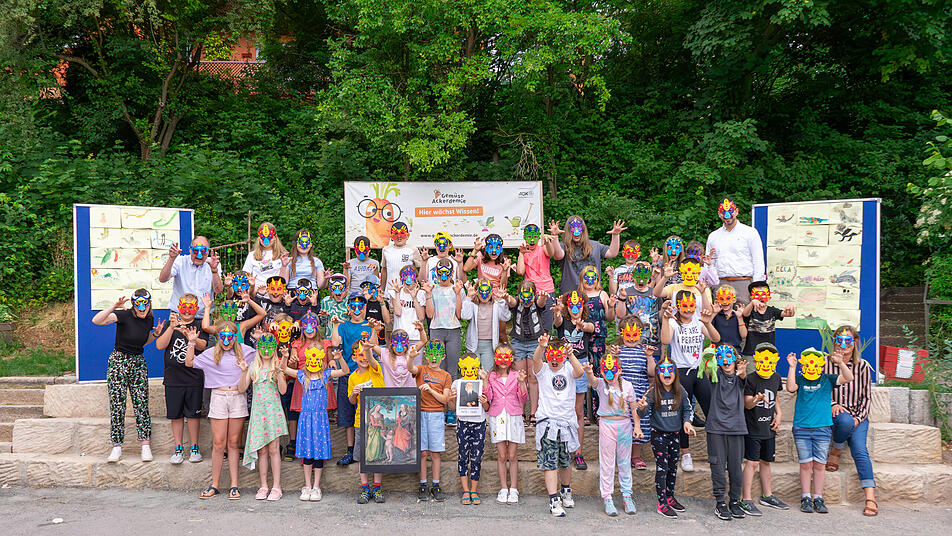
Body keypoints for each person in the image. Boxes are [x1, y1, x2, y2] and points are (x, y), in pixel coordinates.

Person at [92, 290, 163, 463]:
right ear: (133, 304)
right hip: (119, 361)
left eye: (145, 304)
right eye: (138, 304)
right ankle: (116, 447)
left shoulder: (149, 319)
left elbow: (142, 341)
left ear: (149, 304)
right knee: (117, 404)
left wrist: (155, 334)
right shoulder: (123, 315)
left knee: (141, 403)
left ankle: (145, 445)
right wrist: (114, 307)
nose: (142, 308)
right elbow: (96, 320)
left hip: (138, 362)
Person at [185, 321, 253, 500]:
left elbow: (264, 357)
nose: (226, 340)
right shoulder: (210, 353)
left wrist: (261, 340)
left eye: (230, 337)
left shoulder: (246, 351)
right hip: (218, 397)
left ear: (235, 337)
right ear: (218, 337)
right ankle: (214, 484)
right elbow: (189, 362)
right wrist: (191, 342)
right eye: (223, 336)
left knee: (233, 443)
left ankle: (234, 485)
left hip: (237, 397)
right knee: (218, 442)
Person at [785, 347, 853, 514]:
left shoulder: (827, 379)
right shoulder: (800, 380)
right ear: (803, 365)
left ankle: (818, 497)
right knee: (805, 464)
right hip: (802, 428)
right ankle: (805, 497)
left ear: (822, 366)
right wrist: (792, 367)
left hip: (822, 428)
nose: (812, 367)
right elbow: (790, 388)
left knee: (820, 465)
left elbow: (848, 377)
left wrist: (841, 363)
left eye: (816, 364)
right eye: (807, 364)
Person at [659, 291, 720, 472]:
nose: (688, 309)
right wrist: (665, 319)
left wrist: (707, 323)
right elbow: (665, 340)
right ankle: (685, 453)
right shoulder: (673, 322)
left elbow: (716, 338)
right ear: (678, 306)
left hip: (698, 371)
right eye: (684, 306)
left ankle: (716, 452)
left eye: (691, 306)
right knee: (683, 414)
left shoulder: (698, 321)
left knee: (712, 411)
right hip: (681, 372)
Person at [823, 326, 878, 517]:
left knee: (860, 450)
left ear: (854, 343)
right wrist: (832, 404)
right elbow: (819, 388)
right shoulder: (825, 363)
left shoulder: (862, 366)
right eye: (840, 339)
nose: (843, 344)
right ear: (835, 341)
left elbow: (867, 398)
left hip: (858, 416)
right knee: (844, 421)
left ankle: (870, 498)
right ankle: (837, 449)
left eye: (848, 341)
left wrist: (858, 418)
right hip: (835, 414)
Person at [284, 345, 349, 502]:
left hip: (320, 420)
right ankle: (307, 485)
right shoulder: (302, 375)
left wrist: (339, 359)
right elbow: (284, 369)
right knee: (307, 453)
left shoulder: (326, 374)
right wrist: (285, 356)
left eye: (317, 359)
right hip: (306, 420)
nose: (313, 362)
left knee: (318, 453)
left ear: (321, 360)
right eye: (311, 359)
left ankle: (316, 486)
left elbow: (345, 371)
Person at [583, 348, 642, 516]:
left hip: (624, 425)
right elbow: (593, 381)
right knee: (607, 463)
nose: (610, 373)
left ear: (620, 370)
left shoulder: (628, 386)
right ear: (602, 371)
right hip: (607, 425)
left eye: (614, 369)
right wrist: (589, 372)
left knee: (624, 462)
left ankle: (627, 495)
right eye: (606, 370)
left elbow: (634, 407)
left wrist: (637, 426)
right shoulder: (602, 384)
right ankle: (607, 497)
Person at [532, 334, 585, 517]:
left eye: (558, 356)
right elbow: (535, 360)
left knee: (566, 461)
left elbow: (580, 372)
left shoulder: (569, 367)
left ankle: (566, 490)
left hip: (567, 423)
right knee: (550, 463)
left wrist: (571, 355)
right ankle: (553, 500)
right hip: (548, 424)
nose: (554, 360)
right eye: (551, 356)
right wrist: (541, 347)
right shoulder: (543, 370)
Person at [636, 357, 695, 518]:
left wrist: (687, 422)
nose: (667, 374)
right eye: (662, 370)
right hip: (659, 435)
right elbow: (642, 413)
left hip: (675, 434)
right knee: (662, 467)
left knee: (673, 468)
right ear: (658, 374)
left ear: (675, 373)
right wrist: (641, 408)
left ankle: (669, 497)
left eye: (670, 370)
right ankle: (661, 503)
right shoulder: (653, 391)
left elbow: (688, 409)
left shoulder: (680, 390)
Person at [155, 293, 208, 464]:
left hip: (194, 378)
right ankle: (178, 447)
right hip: (173, 378)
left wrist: (189, 336)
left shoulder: (199, 325)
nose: (186, 311)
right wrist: (171, 328)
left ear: (196, 309)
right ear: (178, 308)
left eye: (190, 308)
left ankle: (194, 447)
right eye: (183, 307)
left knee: (193, 415)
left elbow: (203, 346)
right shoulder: (171, 325)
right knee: (175, 414)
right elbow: (159, 345)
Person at [238, 334, 289, 501]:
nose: (266, 351)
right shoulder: (254, 367)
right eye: (263, 348)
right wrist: (244, 371)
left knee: (274, 449)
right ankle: (263, 485)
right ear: (258, 348)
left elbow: (283, 391)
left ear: (274, 349)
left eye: (269, 348)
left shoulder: (277, 365)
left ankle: (276, 486)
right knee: (262, 450)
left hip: (273, 412)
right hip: (259, 414)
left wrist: (279, 373)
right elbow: (242, 388)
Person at [703, 344, 749, 521]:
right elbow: (708, 370)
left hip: (736, 428)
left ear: (736, 359)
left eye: (729, 357)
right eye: (721, 357)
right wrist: (709, 356)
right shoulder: (715, 375)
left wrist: (742, 372)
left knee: (736, 468)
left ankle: (735, 501)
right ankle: (720, 502)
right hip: (716, 428)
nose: (726, 361)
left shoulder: (739, 377)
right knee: (718, 466)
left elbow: (743, 378)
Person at [741, 342, 788, 515]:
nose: (766, 363)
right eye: (762, 359)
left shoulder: (776, 377)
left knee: (766, 461)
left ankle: (767, 495)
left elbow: (775, 397)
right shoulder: (751, 379)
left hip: (769, 427)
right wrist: (756, 399)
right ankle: (746, 499)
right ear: (756, 360)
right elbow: (747, 404)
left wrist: (779, 414)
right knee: (752, 462)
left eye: (770, 360)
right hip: (753, 427)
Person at [552, 291, 594, 470]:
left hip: (580, 363)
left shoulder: (587, 322)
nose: (575, 309)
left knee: (578, 411)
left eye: (578, 305)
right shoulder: (563, 320)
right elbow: (557, 322)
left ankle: (578, 452)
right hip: (562, 365)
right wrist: (557, 312)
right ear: (567, 307)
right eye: (571, 305)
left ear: (583, 306)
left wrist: (582, 325)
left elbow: (590, 328)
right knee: (561, 407)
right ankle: (560, 449)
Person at [330, 295, 373, 465]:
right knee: (348, 414)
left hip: (367, 375)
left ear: (365, 307)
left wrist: (374, 329)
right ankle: (350, 450)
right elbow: (335, 342)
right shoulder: (344, 326)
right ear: (348, 308)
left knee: (368, 413)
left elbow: (375, 346)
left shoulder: (369, 325)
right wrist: (335, 325)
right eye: (353, 306)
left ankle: (368, 449)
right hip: (348, 375)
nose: (357, 309)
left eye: (360, 306)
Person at [484, 345, 528, 504]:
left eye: (506, 357)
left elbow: (523, 398)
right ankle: (503, 488)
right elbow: (488, 396)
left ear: (511, 358)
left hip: (513, 415)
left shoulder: (517, 375)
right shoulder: (491, 376)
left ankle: (514, 488)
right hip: (497, 416)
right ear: (495, 358)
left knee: (513, 455)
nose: (503, 360)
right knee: (502, 455)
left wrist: (522, 383)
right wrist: (484, 380)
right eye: (500, 356)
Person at [423, 261, 464, 426]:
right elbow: (429, 314)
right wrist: (428, 294)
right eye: (441, 273)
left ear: (452, 272)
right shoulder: (432, 289)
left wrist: (458, 294)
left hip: (453, 330)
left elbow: (459, 314)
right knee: (437, 370)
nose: (444, 276)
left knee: (452, 372)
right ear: (437, 273)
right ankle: (438, 409)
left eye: (447, 272)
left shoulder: (457, 289)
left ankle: (451, 410)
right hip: (436, 330)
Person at [412, 341, 454, 502]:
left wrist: (430, 390)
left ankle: (436, 485)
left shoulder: (446, 376)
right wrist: (411, 357)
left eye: (437, 355)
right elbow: (410, 368)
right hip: (421, 413)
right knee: (422, 452)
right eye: (430, 355)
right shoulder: (421, 369)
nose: (434, 358)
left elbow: (445, 399)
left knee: (435, 453)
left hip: (436, 415)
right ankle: (423, 484)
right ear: (426, 356)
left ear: (443, 357)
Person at [502, 280, 549, 420]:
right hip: (518, 342)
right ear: (519, 295)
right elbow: (511, 302)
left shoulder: (537, 301)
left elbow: (541, 303)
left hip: (535, 341)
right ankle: (520, 411)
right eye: (523, 297)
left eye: (529, 297)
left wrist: (543, 297)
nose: (526, 301)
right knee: (520, 377)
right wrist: (506, 297)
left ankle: (534, 412)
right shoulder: (517, 301)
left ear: (534, 295)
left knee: (533, 378)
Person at [705, 197, 766, 303]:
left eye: (730, 211)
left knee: (744, 312)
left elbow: (758, 261)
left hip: (744, 284)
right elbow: (709, 263)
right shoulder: (713, 236)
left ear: (736, 211)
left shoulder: (750, 233)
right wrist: (710, 285)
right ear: (719, 214)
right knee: (721, 314)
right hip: (720, 284)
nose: (727, 215)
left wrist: (756, 287)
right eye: (723, 212)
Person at [347, 341, 386, 504]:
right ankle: (365, 488)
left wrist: (368, 350)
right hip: (360, 421)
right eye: (360, 355)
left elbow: (371, 360)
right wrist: (354, 394)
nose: (363, 358)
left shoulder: (375, 370)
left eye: (366, 355)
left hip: (377, 422)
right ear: (354, 358)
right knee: (362, 456)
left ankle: (376, 487)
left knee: (377, 455)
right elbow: (351, 401)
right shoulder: (353, 377)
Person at [615, 316, 655, 470]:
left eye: (635, 335)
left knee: (639, 422)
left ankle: (636, 456)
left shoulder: (644, 351)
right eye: (628, 335)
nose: (631, 339)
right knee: (623, 423)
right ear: (622, 334)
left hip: (639, 393)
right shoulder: (619, 351)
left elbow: (652, 373)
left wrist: (649, 357)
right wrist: (615, 356)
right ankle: (622, 455)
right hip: (622, 394)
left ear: (641, 334)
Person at [449, 354, 490, 505]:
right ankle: (465, 490)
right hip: (463, 423)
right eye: (465, 368)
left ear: (478, 367)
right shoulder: (457, 383)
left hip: (479, 423)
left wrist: (484, 401)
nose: (469, 371)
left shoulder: (481, 383)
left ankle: (474, 490)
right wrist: (452, 398)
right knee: (462, 456)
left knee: (477, 458)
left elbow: (487, 408)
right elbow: (453, 408)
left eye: (473, 368)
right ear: (461, 367)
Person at [554, 216, 626, 295]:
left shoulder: (595, 245)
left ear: (583, 229)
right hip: (571, 295)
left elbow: (612, 253)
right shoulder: (563, 246)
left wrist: (615, 235)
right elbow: (558, 255)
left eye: (579, 227)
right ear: (568, 230)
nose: (576, 232)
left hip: (594, 294)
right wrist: (555, 236)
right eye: (573, 228)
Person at [158, 237, 224, 317]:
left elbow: (218, 290)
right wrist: (171, 259)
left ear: (208, 251)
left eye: (203, 251)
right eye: (195, 251)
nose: (199, 256)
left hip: (203, 316)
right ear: (190, 250)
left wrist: (214, 271)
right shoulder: (180, 261)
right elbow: (162, 279)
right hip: (180, 315)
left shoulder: (213, 263)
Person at [515, 223, 562, 331]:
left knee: (546, 326)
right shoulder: (523, 252)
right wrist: (521, 254)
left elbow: (551, 253)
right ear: (524, 237)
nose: (532, 240)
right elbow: (520, 271)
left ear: (539, 237)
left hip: (546, 290)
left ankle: (545, 340)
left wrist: (547, 241)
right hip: (529, 292)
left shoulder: (543, 248)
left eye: (535, 237)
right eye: (529, 236)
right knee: (529, 325)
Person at [461, 279, 512, 370]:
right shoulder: (472, 304)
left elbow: (506, 317)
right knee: (473, 372)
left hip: (489, 345)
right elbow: (465, 316)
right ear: (477, 292)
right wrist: (468, 297)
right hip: (473, 344)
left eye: (487, 291)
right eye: (481, 291)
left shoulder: (496, 305)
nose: (484, 295)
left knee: (487, 372)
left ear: (491, 292)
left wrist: (501, 300)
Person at [742, 281, 795, 356]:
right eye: (756, 295)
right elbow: (745, 314)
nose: (760, 297)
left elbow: (789, 314)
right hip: (751, 352)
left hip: (769, 353)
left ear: (769, 297)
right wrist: (752, 303)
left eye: (763, 294)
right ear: (751, 298)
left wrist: (790, 306)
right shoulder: (750, 311)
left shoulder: (772, 311)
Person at [386, 266, 426, 362]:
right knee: (399, 366)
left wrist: (414, 297)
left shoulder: (421, 293)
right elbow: (398, 312)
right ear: (401, 279)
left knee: (415, 367)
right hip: (399, 336)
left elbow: (421, 317)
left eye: (411, 276)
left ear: (416, 278)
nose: (408, 280)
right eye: (405, 276)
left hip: (415, 337)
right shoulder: (395, 292)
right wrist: (397, 294)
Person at [371, 323, 428, 388]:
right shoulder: (385, 353)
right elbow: (372, 345)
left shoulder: (410, 352)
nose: (399, 347)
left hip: (409, 391)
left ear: (408, 344)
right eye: (395, 343)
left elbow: (423, 341)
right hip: (391, 391)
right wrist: (375, 331)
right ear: (390, 343)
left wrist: (421, 330)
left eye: (403, 343)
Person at [243, 222, 288, 296]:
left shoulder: (282, 256)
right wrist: (255, 290)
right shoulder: (252, 255)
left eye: (269, 236)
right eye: (262, 237)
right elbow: (246, 276)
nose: (266, 239)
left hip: (276, 295)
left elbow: (285, 281)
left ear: (275, 237)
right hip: (256, 294)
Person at [381, 222, 418, 298]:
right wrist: (382, 289)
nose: (399, 236)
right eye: (396, 234)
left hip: (408, 292)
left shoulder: (413, 249)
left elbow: (419, 270)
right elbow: (384, 270)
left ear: (407, 235)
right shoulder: (386, 250)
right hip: (390, 291)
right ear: (391, 236)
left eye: (402, 233)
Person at [711, 285, 747, 352]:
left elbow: (744, 335)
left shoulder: (738, 314)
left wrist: (740, 318)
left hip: (735, 351)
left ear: (734, 300)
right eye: (721, 299)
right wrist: (714, 313)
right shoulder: (716, 315)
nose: (725, 302)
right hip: (717, 351)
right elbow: (707, 329)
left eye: (728, 299)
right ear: (718, 300)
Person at [319, 273, 350, 339]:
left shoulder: (350, 302)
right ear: (330, 290)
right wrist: (323, 316)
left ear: (346, 289)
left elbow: (357, 322)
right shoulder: (326, 301)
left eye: (341, 288)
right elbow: (323, 324)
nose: (337, 291)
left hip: (346, 339)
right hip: (330, 338)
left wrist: (352, 315)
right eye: (334, 288)